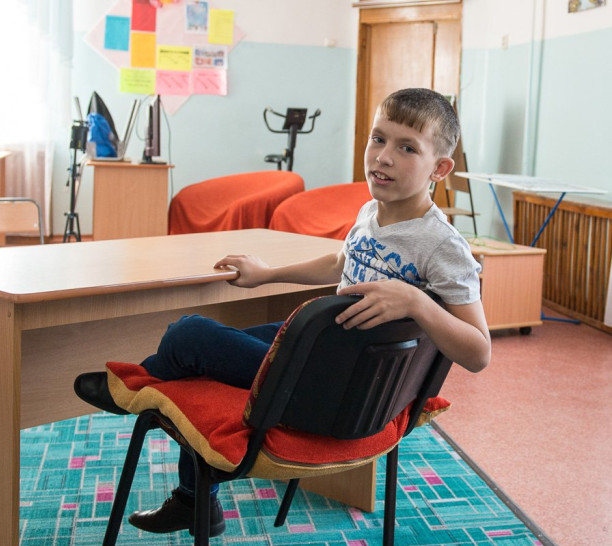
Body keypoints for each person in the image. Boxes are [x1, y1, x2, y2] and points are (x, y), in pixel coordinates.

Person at [74, 87, 492, 538]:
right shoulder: (373, 211)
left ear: (440, 168)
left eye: (407, 148)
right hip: (320, 353)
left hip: (336, 388)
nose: (384, 156)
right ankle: (194, 501)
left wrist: (416, 302)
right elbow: (341, 262)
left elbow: (479, 352)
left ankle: (134, 389)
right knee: (197, 355)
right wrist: (268, 274)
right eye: (378, 139)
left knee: (189, 336)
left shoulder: (443, 246)